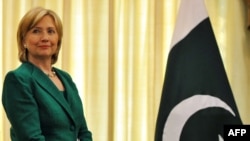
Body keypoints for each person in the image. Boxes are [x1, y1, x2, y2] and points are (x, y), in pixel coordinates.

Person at [2, 7, 92, 141]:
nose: (45, 38)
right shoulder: (18, 80)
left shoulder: (66, 78)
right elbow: (31, 138)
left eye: (51, 31)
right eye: (36, 31)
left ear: (58, 40)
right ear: (23, 40)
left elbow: (83, 132)